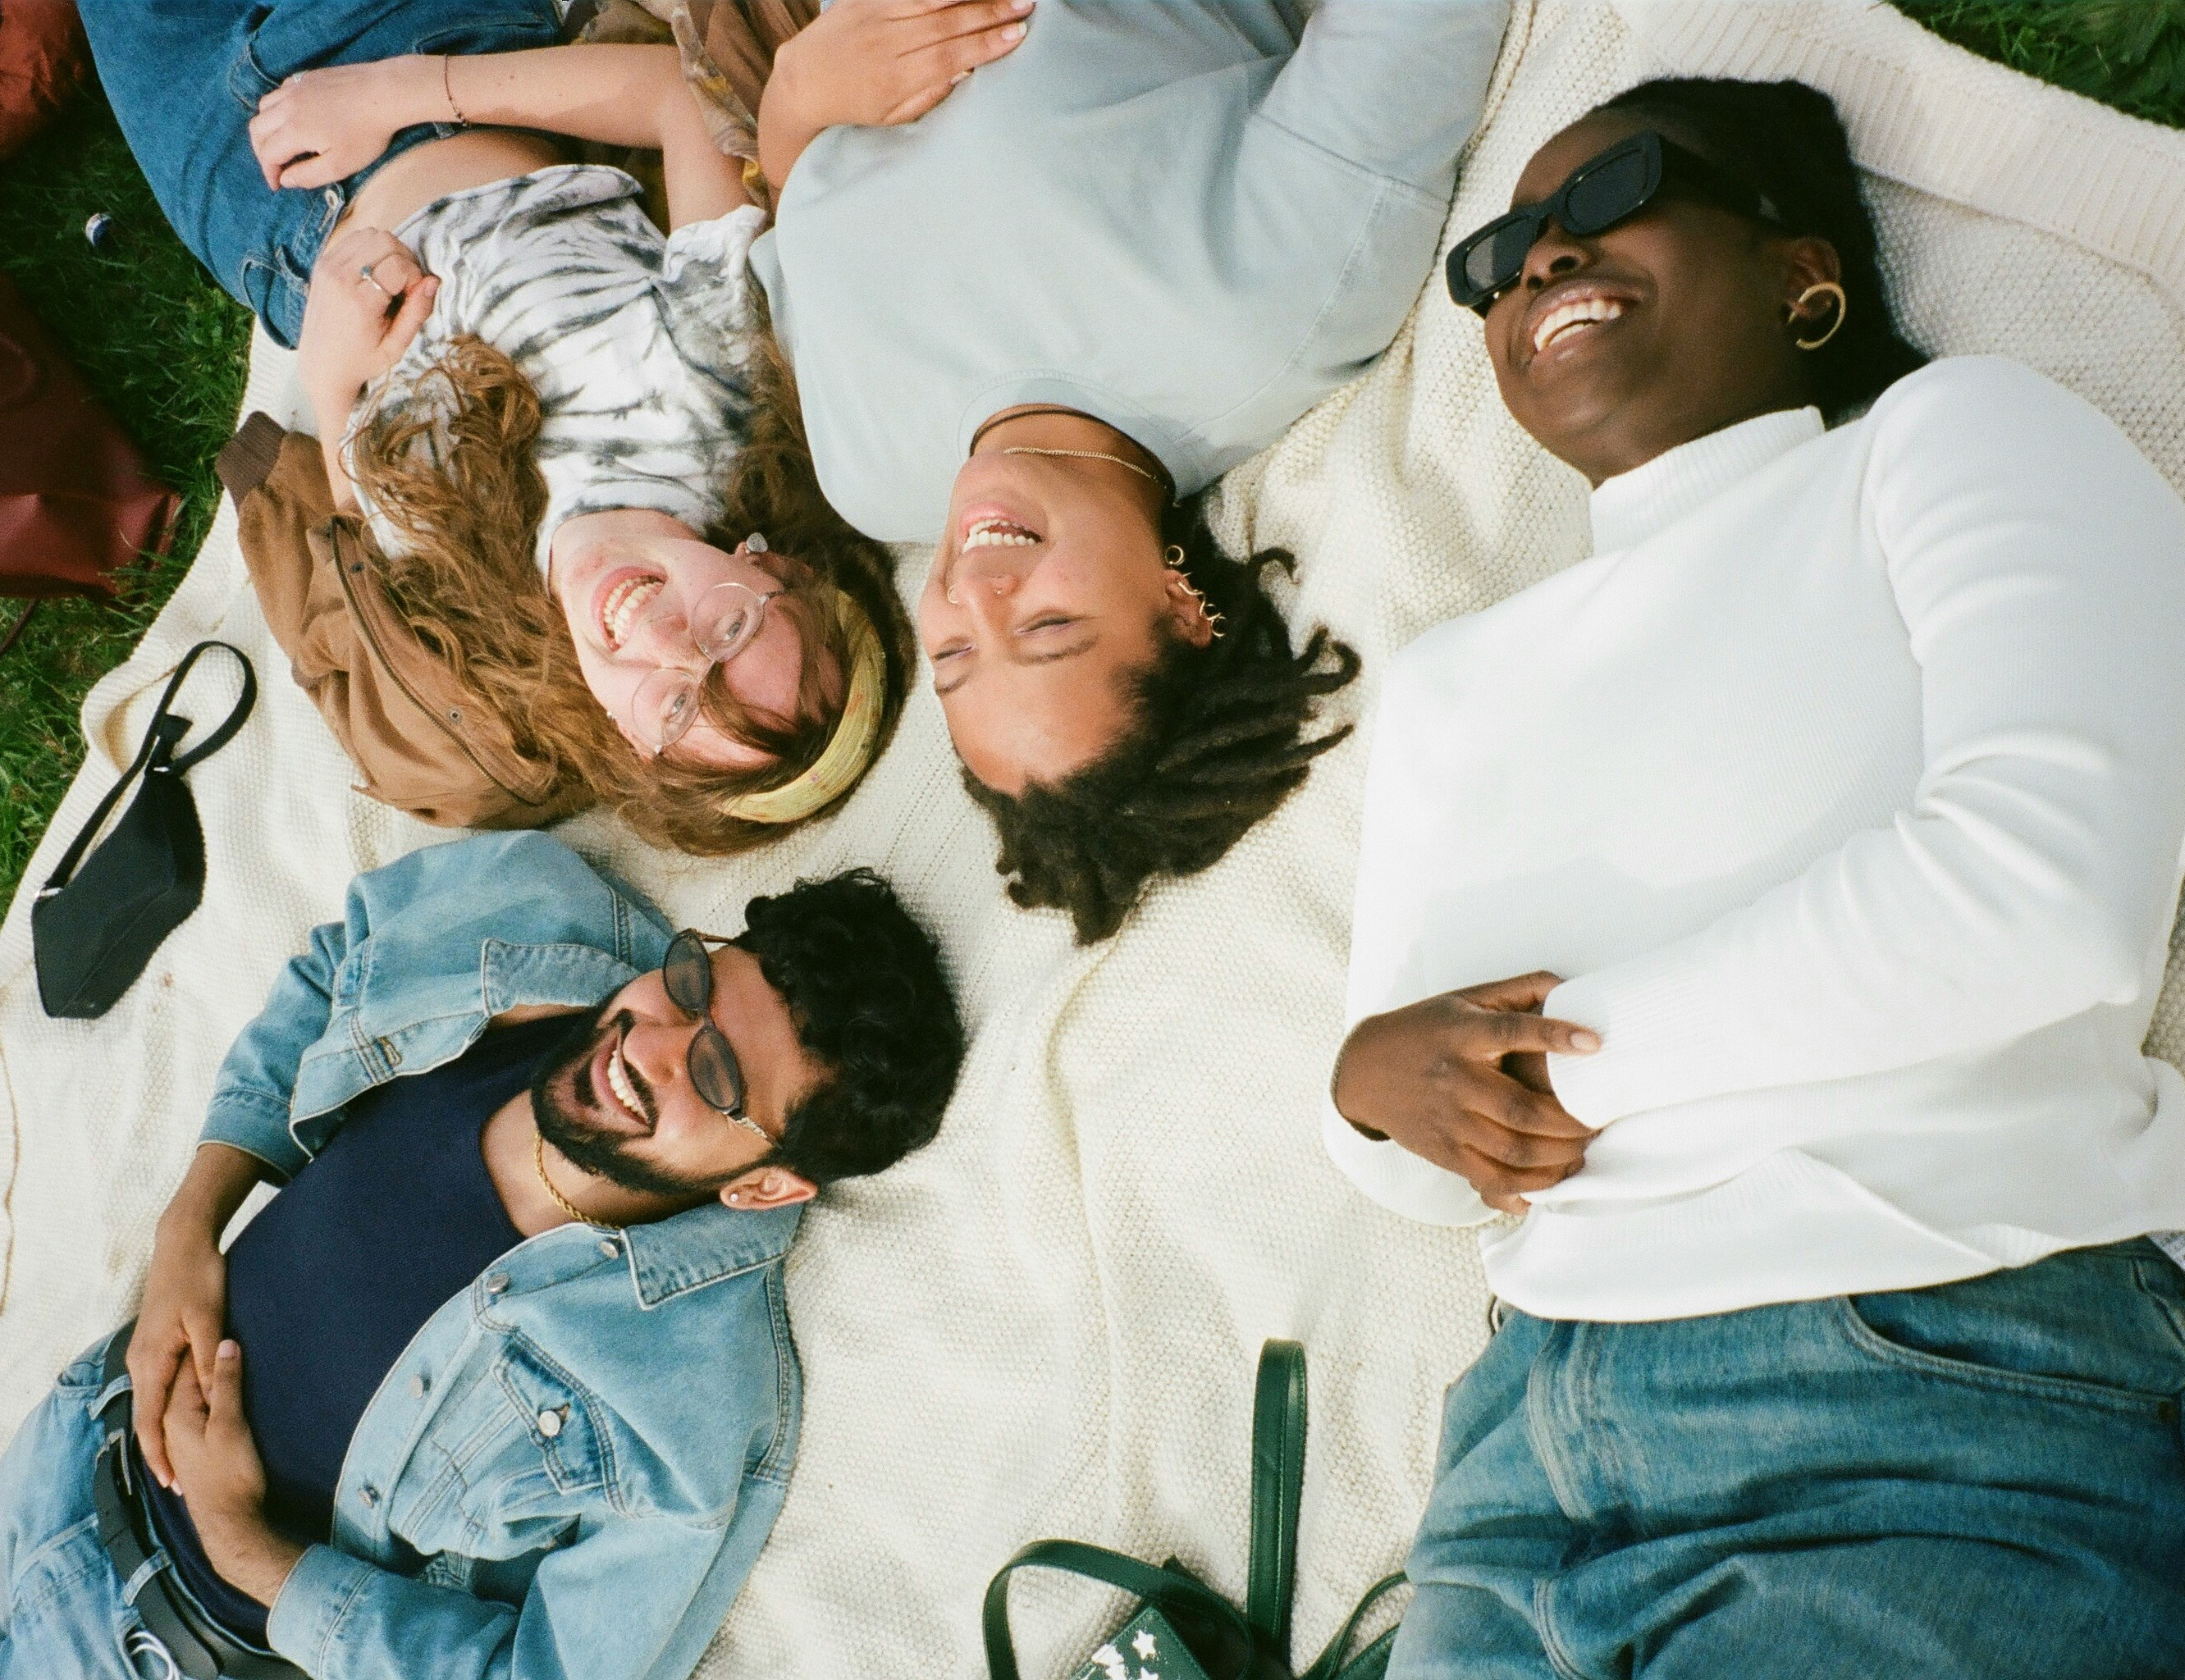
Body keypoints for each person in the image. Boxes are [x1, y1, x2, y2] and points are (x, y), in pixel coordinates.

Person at [1324, 78, 2185, 1678]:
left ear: (1803, 273)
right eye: (1497, 253)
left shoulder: (1952, 435)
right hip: (1513, 1469)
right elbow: (1431, 1154)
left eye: (1610, 192)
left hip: (1917, 1363)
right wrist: (1367, 1085)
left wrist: (1553, 1066)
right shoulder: (1443, 678)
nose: (1535, 256)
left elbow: (2038, 891)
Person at [281, 0, 1512, 935]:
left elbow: (791, 185)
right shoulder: (1268, 306)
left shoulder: (872, 478)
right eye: (1048, 628)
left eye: (959, 654)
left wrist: (802, 95)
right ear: (1185, 607)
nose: (975, 590)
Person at [0, 831, 964, 1680]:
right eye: (690, 987)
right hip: (73, 1437)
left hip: (157, 1649)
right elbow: (337, 965)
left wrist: (247, 1548)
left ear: (764, 1185)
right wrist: (190, 1224)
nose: (651, 1048)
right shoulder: (537, 918)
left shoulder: (692, 1412)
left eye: (715, 1076)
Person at [75, 0, 925, 849]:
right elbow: (679, 97)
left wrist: (328, 374)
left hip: (253, 202)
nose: (664, 637)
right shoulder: (718, 395)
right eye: (730, 630)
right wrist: (399, 93)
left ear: (631, 744)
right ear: (767, 563)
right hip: (409, 41)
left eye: (675, 706)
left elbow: (354, 497)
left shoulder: (479, 632)